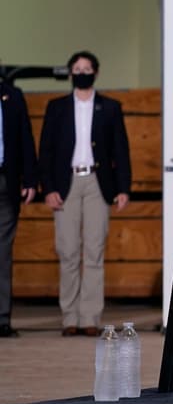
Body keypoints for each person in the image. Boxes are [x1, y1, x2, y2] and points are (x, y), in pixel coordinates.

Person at [37, 51, 131, 337]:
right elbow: (47, 152)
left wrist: (124, 188)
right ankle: (69, 317)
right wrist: (49, 188)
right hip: (66, 183)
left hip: (97, 182)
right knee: (67, 251)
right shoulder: (57, 108)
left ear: (96, 72)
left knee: (94, 251)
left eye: (86, 68)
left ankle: (90, 316)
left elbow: (121, 150)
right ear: (70, 74)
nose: (82, 72)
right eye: (77, 68)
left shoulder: (110, 108)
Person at [1, 79, 38, 337]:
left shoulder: (12, 96)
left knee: (3, 252)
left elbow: (25, 138)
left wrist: (30, 180)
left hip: (7, 180)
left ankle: (2, 318)